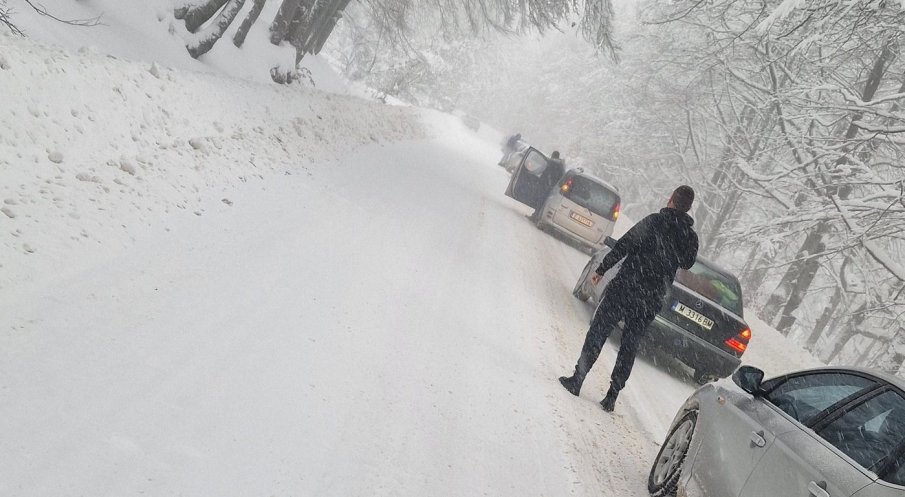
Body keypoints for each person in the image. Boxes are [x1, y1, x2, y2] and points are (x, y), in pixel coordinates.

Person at [558, 186, 699, 412]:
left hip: (625, 287)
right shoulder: (689, 236)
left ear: (671, 199)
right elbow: (687, 262)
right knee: (630, 345)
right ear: (688, 208)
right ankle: (612, 396)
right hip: (651, 298)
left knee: (599, 331)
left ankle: (578, 379)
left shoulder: (654, 221)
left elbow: (625, 243)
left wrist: (602, 269)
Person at [530, 151, 565, 221]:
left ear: (552, 155)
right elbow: (562, 176)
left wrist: (532, 172)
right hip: (554, 187)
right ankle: (540, 216)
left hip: (544, 184)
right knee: (546, 202)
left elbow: (540, 169)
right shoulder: (561, 165)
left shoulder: (549, 162)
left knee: (540, 200)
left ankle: (535, 216)